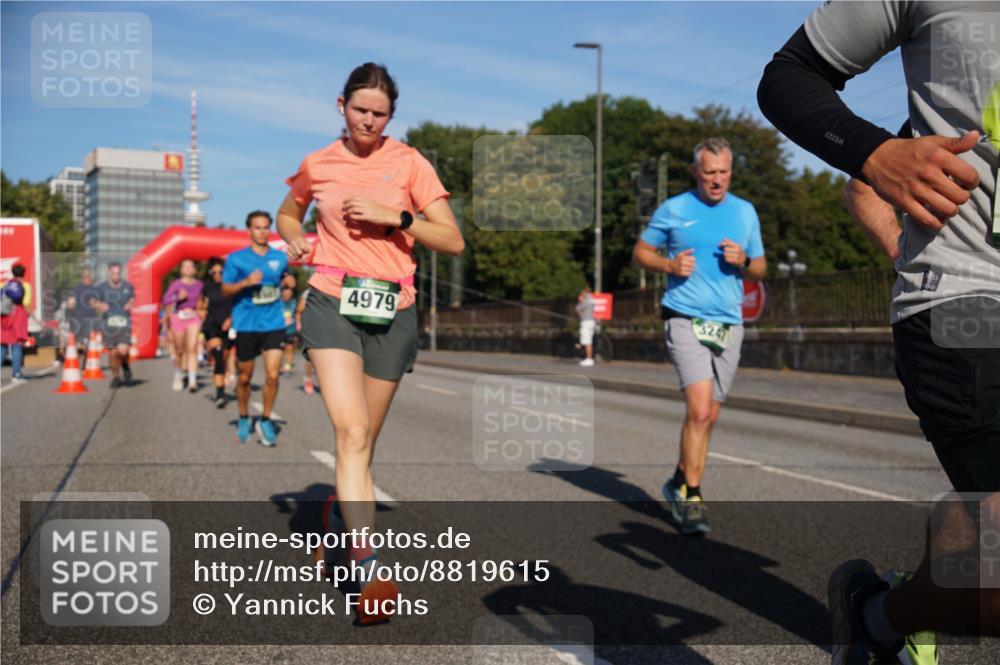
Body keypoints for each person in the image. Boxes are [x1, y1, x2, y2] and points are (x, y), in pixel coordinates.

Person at [759, 2, 999, 663]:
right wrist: (877, 154)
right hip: (967, 301)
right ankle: (880, 609)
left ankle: (881, 613)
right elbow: (789, 77)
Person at [276, 62, 464, 623]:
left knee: (365, 441)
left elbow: (451, 240)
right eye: (360, 109)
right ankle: (368, 567)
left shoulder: (409, 163)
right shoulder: (319, 163)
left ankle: (343, 505)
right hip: (332, 301)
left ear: (391, 117)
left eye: (380, 114)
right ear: (341, 106)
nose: (369, 120)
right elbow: (290, 213)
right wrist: (297, 240)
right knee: (350, 431)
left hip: (394, 308)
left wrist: (397, 215)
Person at [632, 137, 766, 536]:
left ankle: (676, 480)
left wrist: (743, 261)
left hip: (729, 320)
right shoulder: (674, 209)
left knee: (710, 416)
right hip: (684, 315)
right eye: (709, 173)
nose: (717, 180)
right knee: (700, 410)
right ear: (695, 172)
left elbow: (759, 267)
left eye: (724, 172)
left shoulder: (744, 212)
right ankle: (692, 496)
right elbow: (641, 253)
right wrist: (669, 264)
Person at [222, 210, 289, 446]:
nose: (262, 231)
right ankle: (243, 416)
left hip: (273, 322)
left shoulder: (280, 258)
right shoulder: (236, 259)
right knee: (245, 377)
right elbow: (225, 290)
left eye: (265, 227)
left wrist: (289, 282)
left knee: (272, 375)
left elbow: (285, 279)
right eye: (257, 227)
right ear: (249, 230)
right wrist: (245, 283)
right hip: (247, 323)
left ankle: (265, 418)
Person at [163, 259, 205, 393]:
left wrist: (202, 307)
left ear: (194, 270)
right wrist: (178, 298)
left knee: (192, 348)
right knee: (179, 349)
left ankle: (192, 381)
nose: (187, 268)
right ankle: (178, 374)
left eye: (190, 266)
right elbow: (166, 300)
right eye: (184, 266)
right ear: (181, 270)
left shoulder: (200, 285)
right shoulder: (176, 284)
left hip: (193, 317)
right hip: (178, 318)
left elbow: (205, 298)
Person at [93, 261, 135, 388]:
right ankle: (116, 377)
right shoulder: (101, 287)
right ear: (109, 272)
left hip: (124, 323)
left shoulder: (128, 286)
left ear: (121, 272)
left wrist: (130, 304)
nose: (116, 275)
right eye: (113, 273)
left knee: (122, 351)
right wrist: (99, 306)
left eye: (118, 273)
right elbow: (93, 302)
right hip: (108, 324)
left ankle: (125, 364)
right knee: (112, 353)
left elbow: (132, 299)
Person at [200, 257, 234, 408]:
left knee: (225, 357)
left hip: (228, 325)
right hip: (212, 325)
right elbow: (200, 304)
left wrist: (231, 319)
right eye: (215, 271)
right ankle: (220, 393)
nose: (218, 274)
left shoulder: (231, 285)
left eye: (221, 271)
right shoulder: (206, 286)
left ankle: (222, 380)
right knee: (218, 356)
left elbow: (239, 304)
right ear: (210, 272)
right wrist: (200, 311)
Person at [1, 264, 31, 384]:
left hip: (4, 317)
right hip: (18, 316)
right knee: (17, 345)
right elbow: (26, 304)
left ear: (13, 273)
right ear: (23, 273)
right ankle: (16, 374)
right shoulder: (25, 285)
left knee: (2, 345)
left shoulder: (5, 284)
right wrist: (36, 318)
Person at [67, 268, 100, 351]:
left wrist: (73, 310)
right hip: (90, 321)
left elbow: (70, 305)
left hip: (78, 320)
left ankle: (78, 360)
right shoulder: (94, 290)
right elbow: (95, 305)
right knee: (90, 346)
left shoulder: (75, 289)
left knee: (77, 345)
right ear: (90, 277)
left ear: (82, 277)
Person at [295, 286, 316, 394]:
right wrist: (298, 323)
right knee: (311, 356)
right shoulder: (308, 292)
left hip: (327, 328)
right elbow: (299, 309)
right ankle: (308, 379)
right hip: (311, 327)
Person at [576, 286, 595, 367]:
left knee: (587, 341)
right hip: (591, 321)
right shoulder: (591, 299)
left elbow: (578, 308)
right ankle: (588, 357)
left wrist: (580, 301)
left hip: (586, 322)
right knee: (588, 341)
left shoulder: (586, 300)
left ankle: (589, 359)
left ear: (585, 292)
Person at [280, 284, 298, 374]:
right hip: (279, 330)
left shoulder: (294, 302)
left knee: (289, 348)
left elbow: (298, 314)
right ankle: (279, 364)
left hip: (291, 329)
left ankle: (287, 366)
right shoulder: (278, 303)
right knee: (280, 349)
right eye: (285, 293)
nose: (287, 295)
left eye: (289, 293)